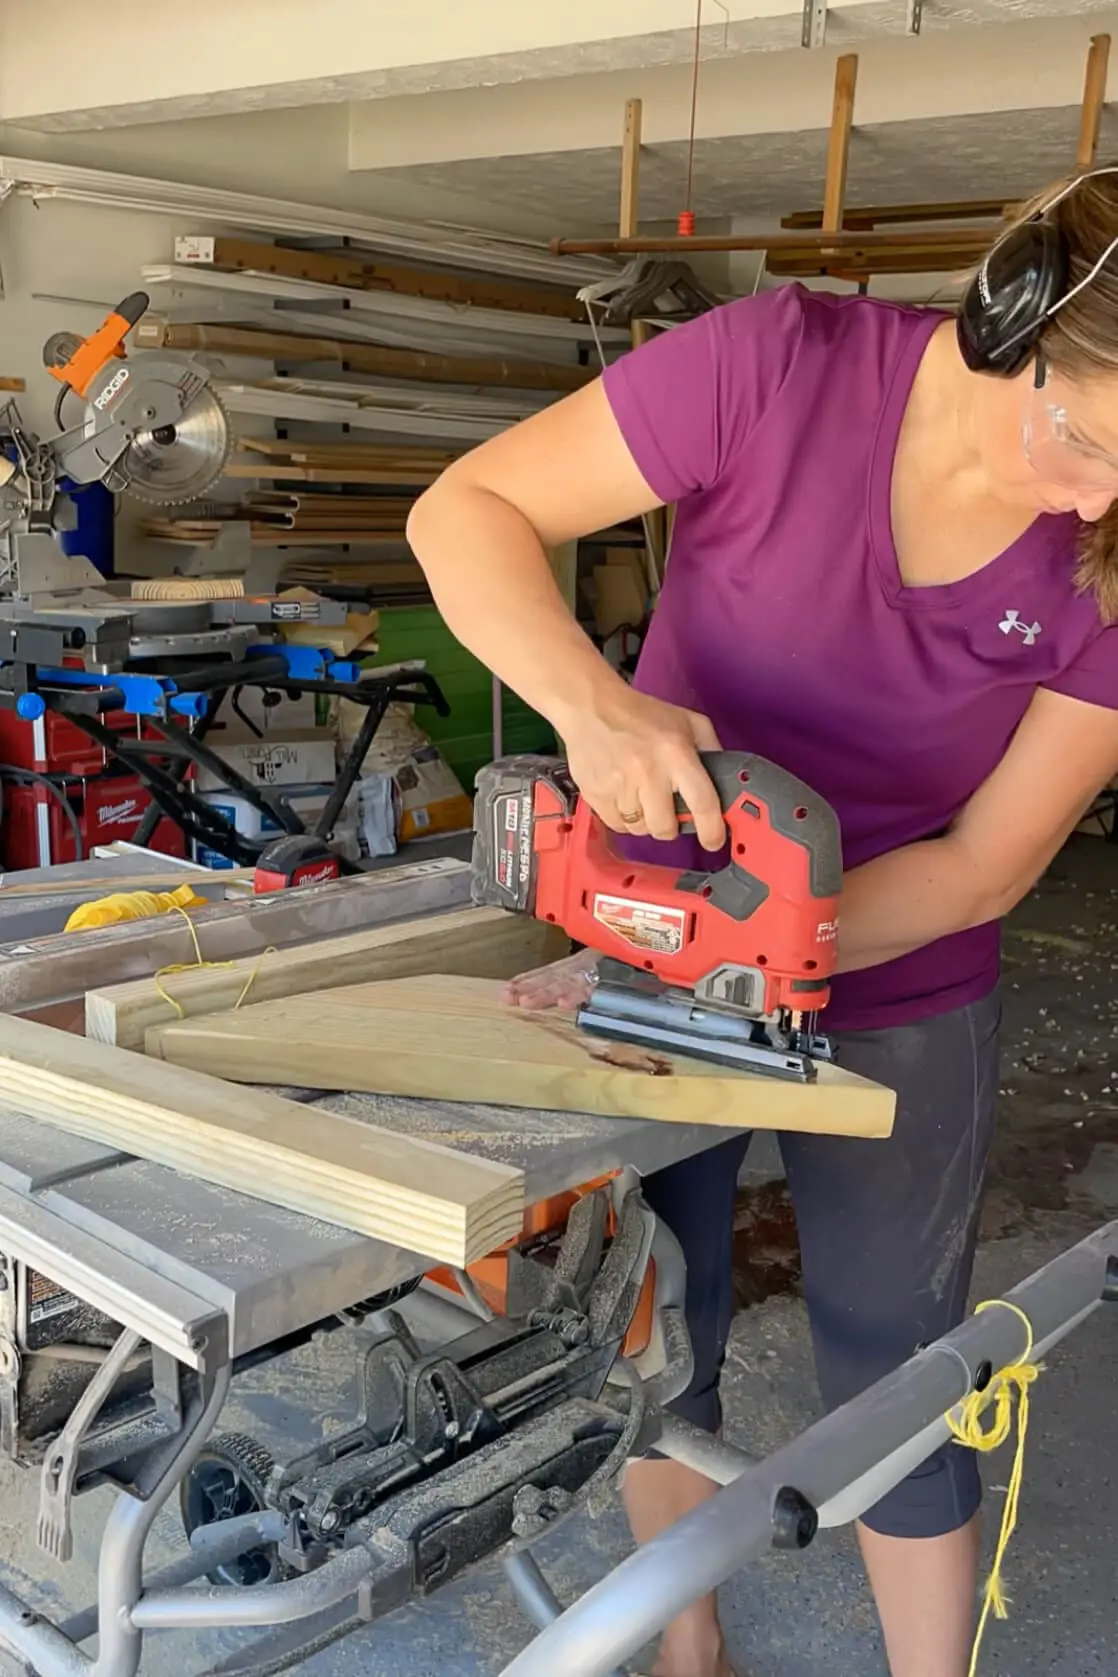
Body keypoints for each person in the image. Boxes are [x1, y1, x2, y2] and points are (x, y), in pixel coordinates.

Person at [406, 166, 1118, 1677]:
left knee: (898, 1354)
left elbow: (985, 863)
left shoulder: (1107, 548)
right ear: (1011, 325)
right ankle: (688, 1649)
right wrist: (593, 707)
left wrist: (746, 946)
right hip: (657, 928)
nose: (1099, 501)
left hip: (901, 965)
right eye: (1087, 441)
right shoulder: (773, 366)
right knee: (659, 1326)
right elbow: (466, 509)